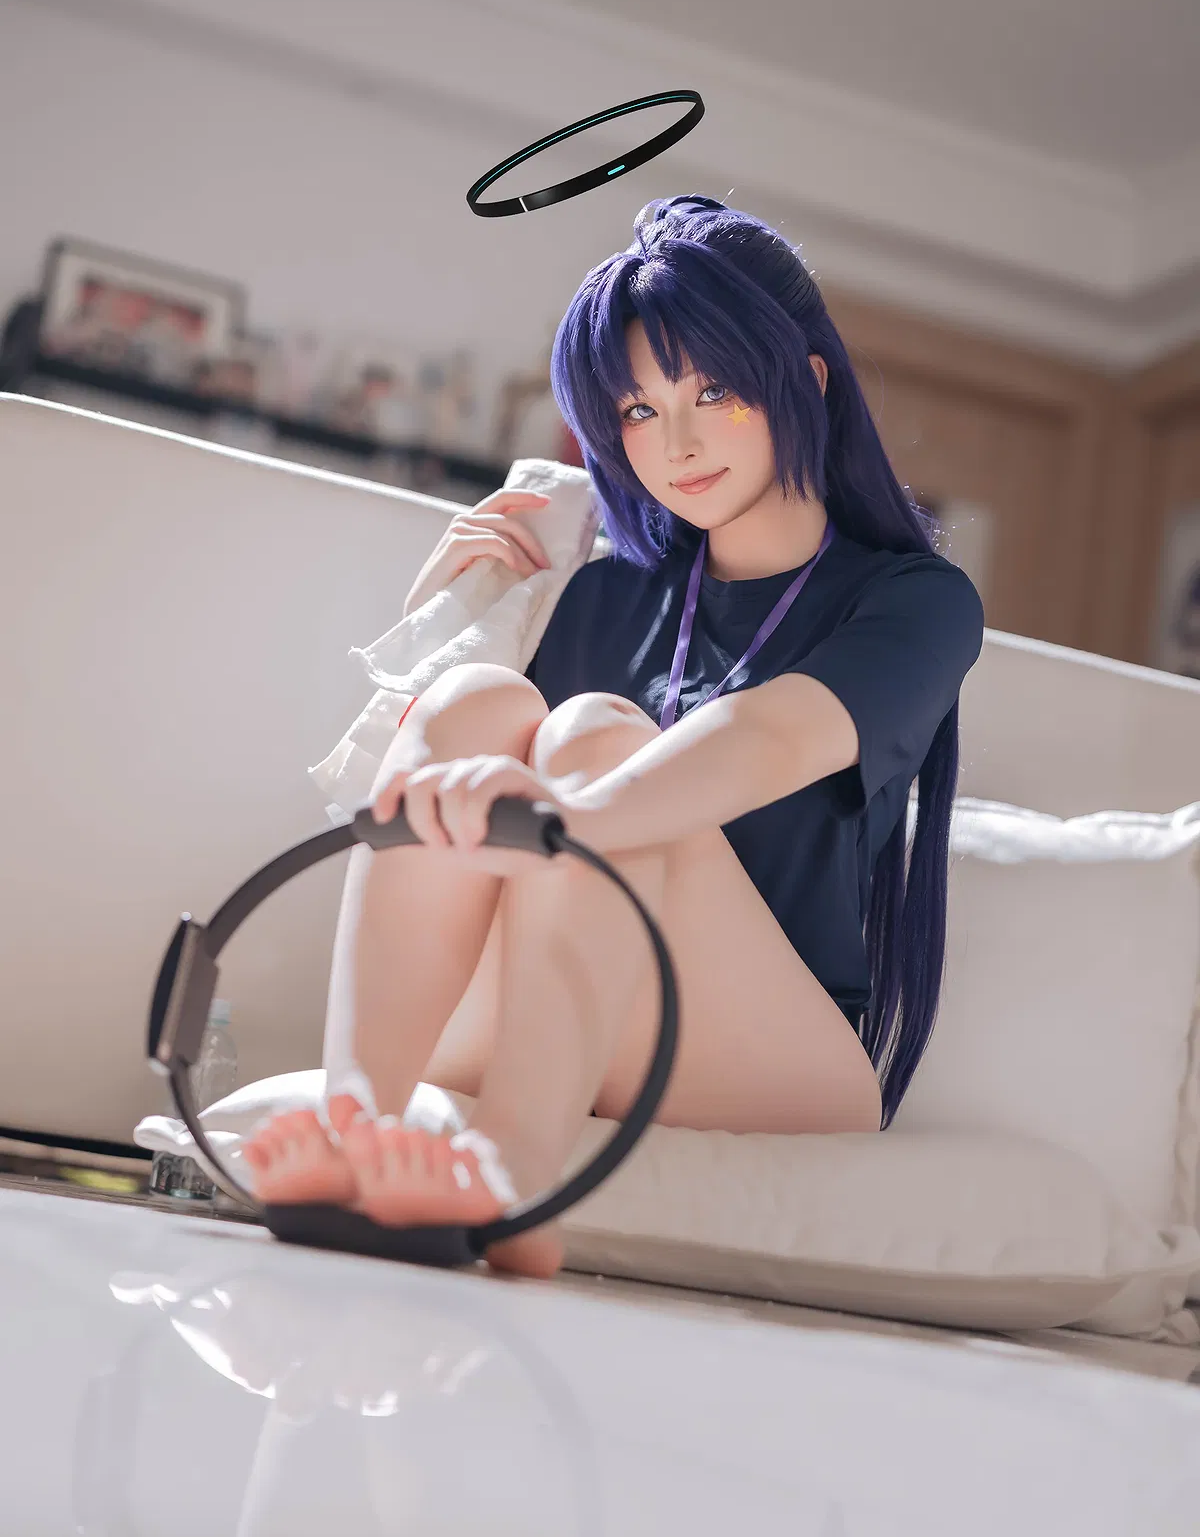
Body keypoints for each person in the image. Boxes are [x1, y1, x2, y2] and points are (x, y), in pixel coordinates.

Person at [245, 195, 985, 1279]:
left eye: (714, 392)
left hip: (763, 1051)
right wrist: (442, 625)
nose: (675, 444)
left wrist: (576, 812)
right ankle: (353, 1128)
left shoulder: (917, 601)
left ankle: (514, 1181)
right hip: (541, 1007)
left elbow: (774, 737)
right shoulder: (590, 595)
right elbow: (428, 834)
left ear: (809, 381)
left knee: (597, 735)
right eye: (638, 410)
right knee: (474, 702)